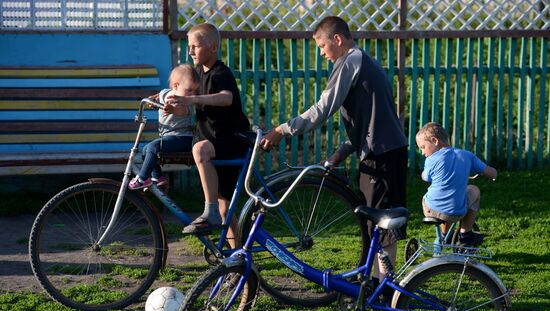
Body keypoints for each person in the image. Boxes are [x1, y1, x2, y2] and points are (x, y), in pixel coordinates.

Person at [261, 16, 408, 283]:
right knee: (370, 218)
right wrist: (343, 150)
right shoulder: (363, 61)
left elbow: (322, 109)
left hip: (383, 154)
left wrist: (283, 129)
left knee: (381, 221)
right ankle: (370, 280)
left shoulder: (350, 60)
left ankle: (384, 286)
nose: (322, 54)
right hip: (385, 149)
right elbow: (371, 118)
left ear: (337, 39)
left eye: (322, 46)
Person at [165, 23, 250, 247]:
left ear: (213, 47)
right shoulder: (199, 75)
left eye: (196, 46)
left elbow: (226, 98)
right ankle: (237, 258)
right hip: (215, 141)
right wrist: (173, 104)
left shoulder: (221, 72)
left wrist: (192, 100)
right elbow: (187, 105)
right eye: (189, 46)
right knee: (226, 208)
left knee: (199, 149)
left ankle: (208, 210)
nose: (190, 51)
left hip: (231, 139)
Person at [416, 122, 497, 245]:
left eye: (423, 147)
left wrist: (422, 174)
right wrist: (493, 175)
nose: (422, 152)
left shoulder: (431, 159)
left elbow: (426, 177)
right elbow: (492, 173)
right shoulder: (467, 156)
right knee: (473, 190)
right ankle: (465, 234)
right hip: (457, 212)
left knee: (441, 194)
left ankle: (444, 236)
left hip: (431, 209)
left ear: (434, 141)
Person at [129, 64, 200, 190]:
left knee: (152, 147)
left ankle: (142, 178)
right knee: (146, 150)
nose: (192, 94)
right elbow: (161, 95)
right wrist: (154, 100)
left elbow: (181, 111)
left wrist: (173, 110)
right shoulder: (164, 94)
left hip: (183, 139)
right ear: (175, 86)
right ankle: (158, 177)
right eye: (189, 90)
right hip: (169, 138)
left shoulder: (185, 103)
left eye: (195, 90)